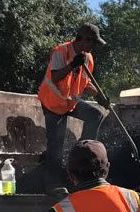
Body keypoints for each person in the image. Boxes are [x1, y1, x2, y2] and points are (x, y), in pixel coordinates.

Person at [37, 23, 110, 192]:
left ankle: (80, 154)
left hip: (70, 102)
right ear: (82, 39)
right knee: (55, 145)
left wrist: (99, 96)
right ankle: (52, 185)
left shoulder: (88, 58)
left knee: (95, 115)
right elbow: (55, 77)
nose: (93, 47)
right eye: (91, 42)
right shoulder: (61, 52)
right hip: (52, 103)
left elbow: (85, 82)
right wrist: (72, 65)